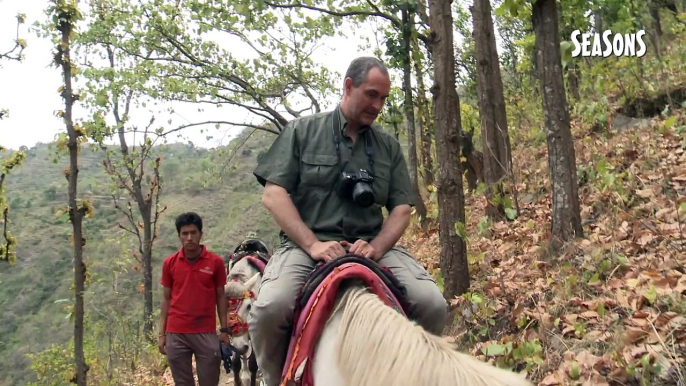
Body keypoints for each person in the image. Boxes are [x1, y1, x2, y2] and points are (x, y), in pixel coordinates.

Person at [248, 57, 448, 386]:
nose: (378, 105)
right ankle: (275, 381)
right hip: (305, 245)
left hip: (370, 243)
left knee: (432, 304)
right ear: (348, 86)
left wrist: (377, 246)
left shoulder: (388, 147)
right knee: (270, 308)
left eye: (383, 98)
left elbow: (401, 209)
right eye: (371, 95)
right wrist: (312, 244)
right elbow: (273, 195)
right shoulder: (302, 131)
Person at [159, 212, 231, 386]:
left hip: (205, 331)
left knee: (210, 381)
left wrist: (224, 330)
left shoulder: (215, 263)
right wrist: (162, 334)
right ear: (179, 236)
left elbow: (221, 297)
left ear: (201, 234)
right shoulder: (170, 263)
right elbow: (167, 299)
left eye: (193, 233)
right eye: (185, 233)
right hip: (176, 333)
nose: (189, 238)